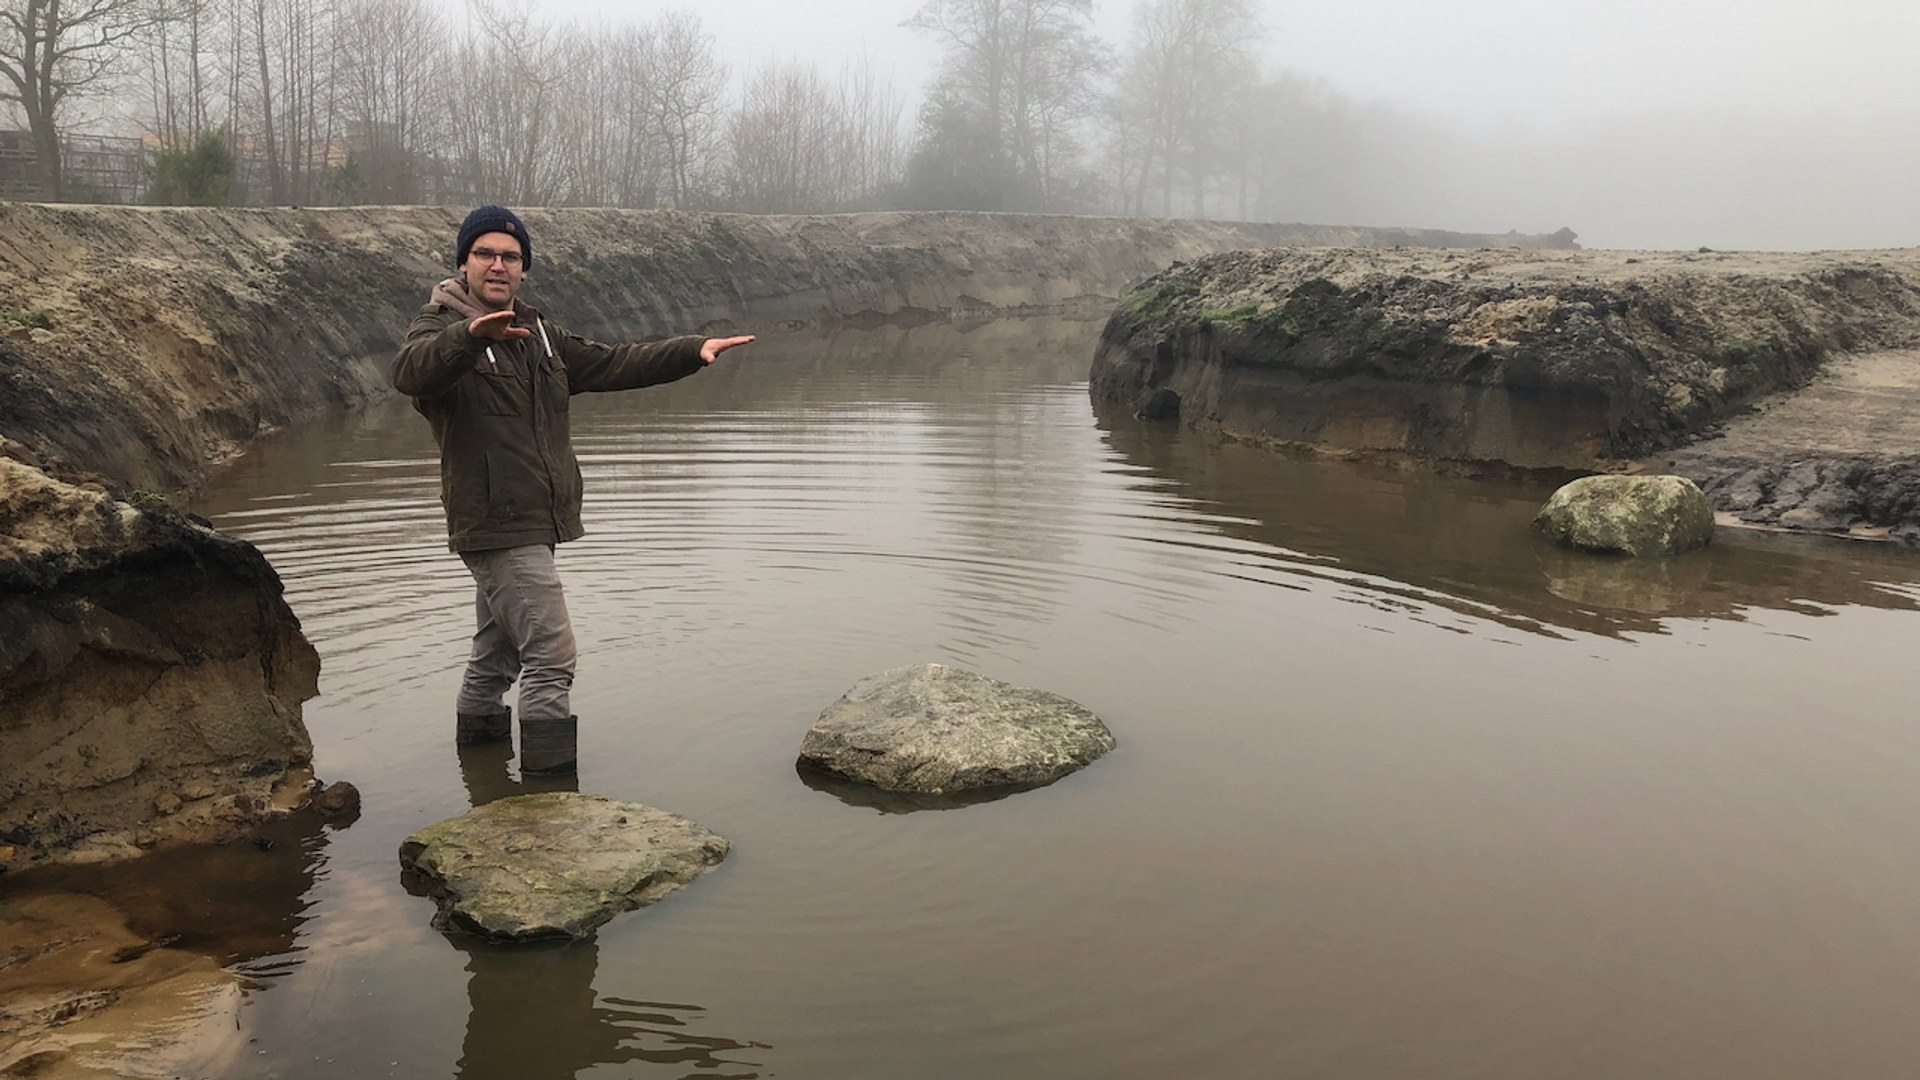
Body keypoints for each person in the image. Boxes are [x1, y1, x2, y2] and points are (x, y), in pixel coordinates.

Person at [391, 205, 753, 775]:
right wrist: (467, 336)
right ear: (463, 262)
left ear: (524, 270)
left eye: (510, 257)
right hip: (497, 523)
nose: (497, 264)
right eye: (484, 253)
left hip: (536, 520)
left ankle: (478, 773)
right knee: (551, 655)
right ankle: (547, 797)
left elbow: (613, 363)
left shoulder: (540, 335)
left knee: (497, 653)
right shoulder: (437, 328)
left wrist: (691, 351)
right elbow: (410, 373)